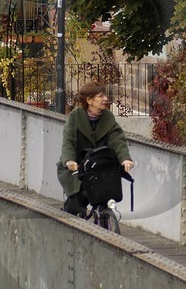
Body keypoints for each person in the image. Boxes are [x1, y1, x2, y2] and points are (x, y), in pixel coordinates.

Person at [57, 83, 133, 216]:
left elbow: (117, 141)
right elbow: (68, 141)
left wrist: (125, 159)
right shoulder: (75, 117)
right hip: (78, 167)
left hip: (99, 167)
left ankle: (106, 218)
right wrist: (69, 160)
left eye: (105, 95)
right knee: (76, 205)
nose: (105, 99)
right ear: (89, 100)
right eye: (100, 96)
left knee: (106, 195)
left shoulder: (108, 118)